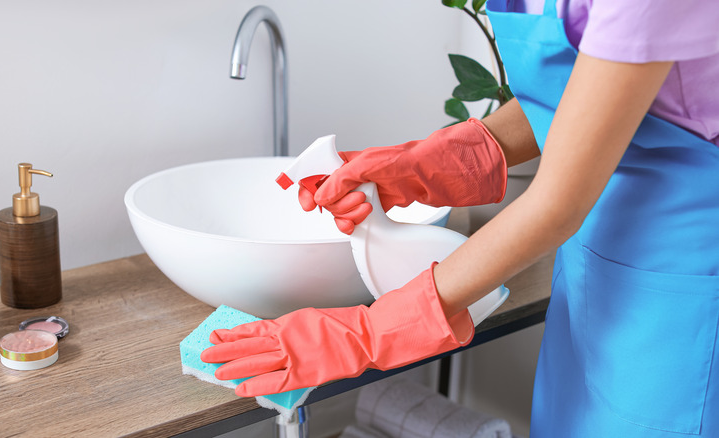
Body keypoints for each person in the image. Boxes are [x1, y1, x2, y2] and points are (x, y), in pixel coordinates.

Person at [202, 0, 719, 435]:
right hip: (599, 259)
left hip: (686, 281)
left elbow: (558, 202)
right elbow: (587, 105)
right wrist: (439, 160)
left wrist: (369, 331)